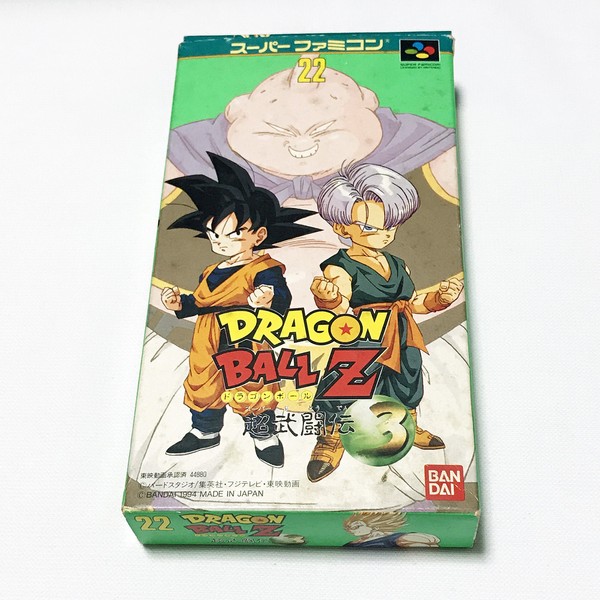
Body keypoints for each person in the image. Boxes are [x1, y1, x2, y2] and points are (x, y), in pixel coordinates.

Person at [160, 153, 318, 468]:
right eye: (214, 234)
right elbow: (202, 303)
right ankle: (205, 432)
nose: (221, 242)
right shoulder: (210, 270)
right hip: (207, 337)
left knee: (252, 385)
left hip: (245, 335)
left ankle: (264, 435)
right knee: (204, 383)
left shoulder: (264, 267)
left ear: (259, 235)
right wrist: (181, 304)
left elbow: (280, 295)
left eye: (233, 234)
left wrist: (267, 298)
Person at [307, 163, 463, 482]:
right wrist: (329, 298)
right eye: (370, 227)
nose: (384, 233)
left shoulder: (397, 263)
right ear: (342, 228)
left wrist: (440, 298)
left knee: (407, 381)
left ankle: (407, 424)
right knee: (344, 385)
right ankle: (330, 441)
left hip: (403, 334)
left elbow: (412, 302)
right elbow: (340, 306)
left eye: (390, 225)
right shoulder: (339, 266)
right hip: (363, 334)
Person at [343, 512, 440, 548]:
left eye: (357, 526)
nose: (352, 530)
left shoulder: (395, 538)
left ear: (374, 526)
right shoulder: (351, 545)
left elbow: (432, 539)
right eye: (349, 528)